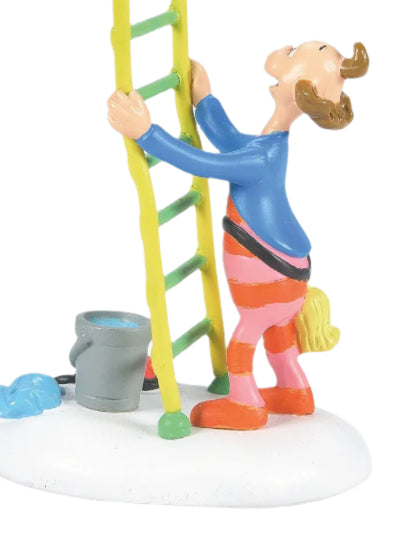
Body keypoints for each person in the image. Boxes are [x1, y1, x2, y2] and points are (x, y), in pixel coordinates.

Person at [106, 40, 369, 430]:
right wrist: (204, 99)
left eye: (292, 55)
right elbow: (228, 139)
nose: (282, 54)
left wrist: (146, 134)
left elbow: (203, 162)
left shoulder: (262, 156)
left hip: (269, 270)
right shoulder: (271, 144)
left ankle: (245, 405)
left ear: (300, 90)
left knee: (247, 334)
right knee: (278, 329)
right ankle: (294, 391)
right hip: (288, 271)